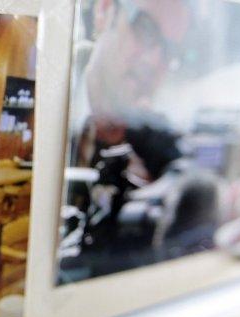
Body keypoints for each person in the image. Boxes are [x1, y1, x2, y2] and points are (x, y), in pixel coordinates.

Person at [59, 0, 200, 282]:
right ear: (104, 11)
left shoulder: (158, 142)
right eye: (145, 30)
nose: (154, 62)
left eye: (169, 52)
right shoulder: (52, 85)